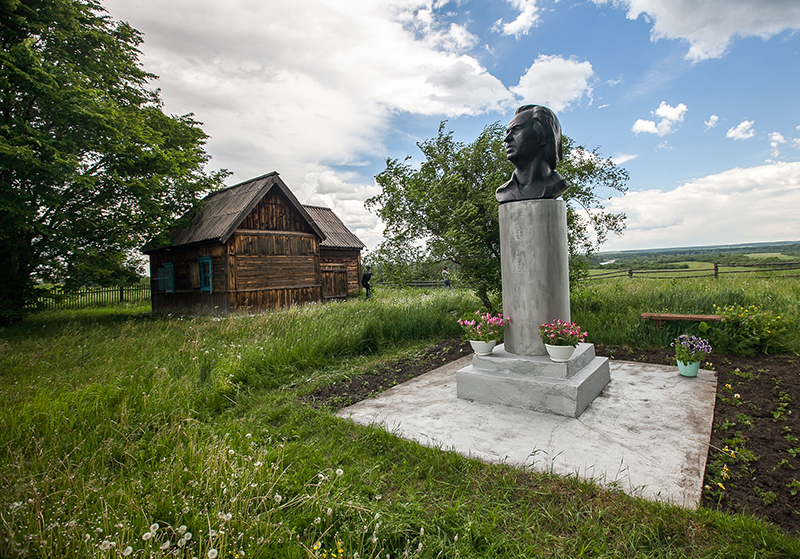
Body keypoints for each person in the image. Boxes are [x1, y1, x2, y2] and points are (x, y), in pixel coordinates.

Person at [495, 104, 571, 204]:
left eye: (517, 129)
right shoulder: (504, 192)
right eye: (508, 132)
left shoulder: (557, 185)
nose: (507, 139)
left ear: (542, 135)